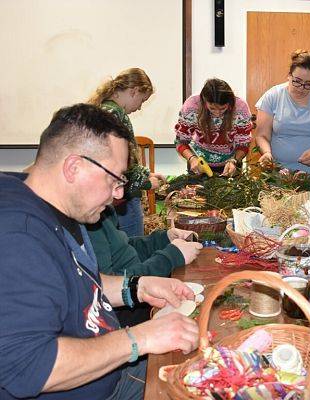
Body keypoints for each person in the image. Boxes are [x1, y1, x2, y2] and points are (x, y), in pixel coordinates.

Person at [0, 104, 199, 400]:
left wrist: (138, 286)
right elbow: (30, 367)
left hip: (111, 372)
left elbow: (77, 283)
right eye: (114, 179)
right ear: (73, 168)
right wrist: (140, 338)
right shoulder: (18, 238)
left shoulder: (59, 207)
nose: (118, 194)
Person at [87, 205, 203, 326]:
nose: (119, 194)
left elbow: (123, 247)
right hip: (127, 315)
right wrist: (171, 257)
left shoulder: (102, 210)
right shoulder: (89, 221)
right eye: (115, 186)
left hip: (138, 295)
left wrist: (163, 239)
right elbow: (107, 287)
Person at [88, 67, 165, 237]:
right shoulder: (116, 114)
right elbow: (117, 164)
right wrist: (145, 183)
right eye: (142, 101)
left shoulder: (104, 109)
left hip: (114, 194)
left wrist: (146, 174)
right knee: (132, 247)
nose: (139, 108)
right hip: (124, 199)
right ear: (134, 91)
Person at [255, 50, 310, 173]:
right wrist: (267, 153)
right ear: (289, 75)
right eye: (297, 81)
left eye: (309, 84)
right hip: (277, 172)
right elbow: (262, 135)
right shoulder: (272, 96)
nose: (301, 88)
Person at [174, 78, 253, 176]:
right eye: (212, 108)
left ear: (230, 103)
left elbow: (244, 144)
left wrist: (234, 160)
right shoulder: (192, 105)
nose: (217, 113)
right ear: (204, 101)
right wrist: (192, 158)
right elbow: (180, 141)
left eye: (223, 108)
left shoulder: (240, 107)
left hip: (230, 164)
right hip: (199, 162)